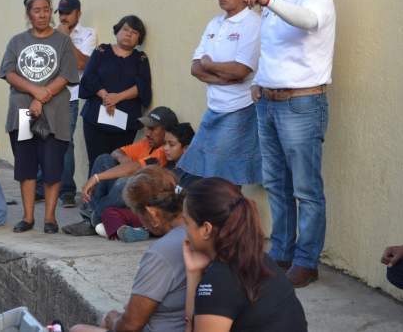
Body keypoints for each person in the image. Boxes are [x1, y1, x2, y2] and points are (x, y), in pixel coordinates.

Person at [230, 0, 335, 287]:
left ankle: (306, 261)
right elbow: (275, 51)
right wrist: (259, 81)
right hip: (270, 104)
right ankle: (282, 254)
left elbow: (310, 22)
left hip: (302, 104)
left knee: (305, 189)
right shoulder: (274, 0)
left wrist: (268, 0)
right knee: (276, 183)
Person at [0, 0, 79, 234]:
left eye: (46, 9)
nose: (42, 14)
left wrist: (42, 98)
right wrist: (35, 92)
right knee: (26, 165)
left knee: (53, 167)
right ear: (28, 14)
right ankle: (28, 217)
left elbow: (67, 75)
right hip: (23, 114)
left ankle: (50, 219)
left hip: (55, 115)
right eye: (37, 10)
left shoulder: (63, 42)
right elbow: (9, 72)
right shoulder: (17, 42)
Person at [70, 166, 188, 332]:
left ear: (152, 213)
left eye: (138, 215)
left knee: (79, 329)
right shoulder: (196, 231)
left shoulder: (162, 252)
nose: (141, 220)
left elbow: (130, 326)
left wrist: (113, 319)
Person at [183, 178, 307, 332]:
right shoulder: (260, 259)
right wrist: (194, 272)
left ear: (206, 229)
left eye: (187, 223)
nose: (185, 232)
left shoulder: (219, 279)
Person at [179, 0, 262, 185]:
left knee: (224, 180)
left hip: (238, 108)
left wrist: (210, 64)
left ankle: (232, 219)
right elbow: (195, 68)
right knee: (208, 175)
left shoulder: (252, 23)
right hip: (215, 107)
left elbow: (241, 70)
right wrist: (222, 75)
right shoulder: (214, 23)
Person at [62, 106, 177, 236]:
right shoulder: (146, 143)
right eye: (147, 128)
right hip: (123, 198)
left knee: (125, 182)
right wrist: (124, 159)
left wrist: (96, 177)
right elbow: (116, 152)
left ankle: (93, 219)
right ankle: (94, 216)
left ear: (167, 132)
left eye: (153, 129)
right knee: (103, 159)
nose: (147, 133)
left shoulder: (164, 151)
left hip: (143, 204)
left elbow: (134, 169)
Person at [35, 0, 97, 208]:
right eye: (60, 13)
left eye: (68, 13)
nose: (63, 17)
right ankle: (40, 187)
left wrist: (65, 39)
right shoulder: (48, 33)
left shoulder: (88, 34)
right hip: (45, 94)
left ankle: (67, 191)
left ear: (78, 13)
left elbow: (83, 64)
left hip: (69, 96)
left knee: (65, 142)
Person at [101, 122, 198, 242]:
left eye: (171, 145)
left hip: (167, 216)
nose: (165, 148)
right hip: (151, 211)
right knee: (110, 212)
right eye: (165, 144)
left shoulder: (193, 173)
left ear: (186, 148)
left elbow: (182, 203)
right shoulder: (167, 164)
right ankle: (134, 230)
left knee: (110, 208)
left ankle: (142, 229)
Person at [79, 15, 152, 173]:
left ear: (139, 38)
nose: (128, 34)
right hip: (95, 120)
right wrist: (106, 96)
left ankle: (111, 197)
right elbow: (89, 77)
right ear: (117, 30)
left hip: (125, 123)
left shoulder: (141, 59)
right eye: (125, 29)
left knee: (118, 165)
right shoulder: (101, 51)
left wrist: (117, 97)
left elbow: (143, 86)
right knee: (97, 161)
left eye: (134, 32)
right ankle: (93, 197)